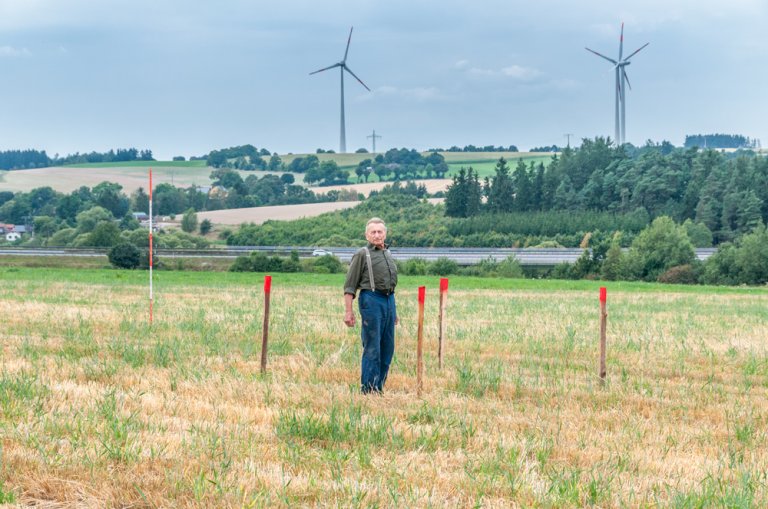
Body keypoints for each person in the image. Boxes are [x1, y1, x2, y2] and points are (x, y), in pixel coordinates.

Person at [343, 217, 398, 393]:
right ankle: (368, 389)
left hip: (389, 301)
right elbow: (350, 285)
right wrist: (348, 312)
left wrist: (394, 311)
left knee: (388, 347)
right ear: (367, 235)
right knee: (372, 346)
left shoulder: (387, 253)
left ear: (385, 234)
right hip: (371, 299)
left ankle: (378, 387)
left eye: (379, 232)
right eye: (373, 232)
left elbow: (390, 284)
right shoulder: (362, 254)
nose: (376, 235)